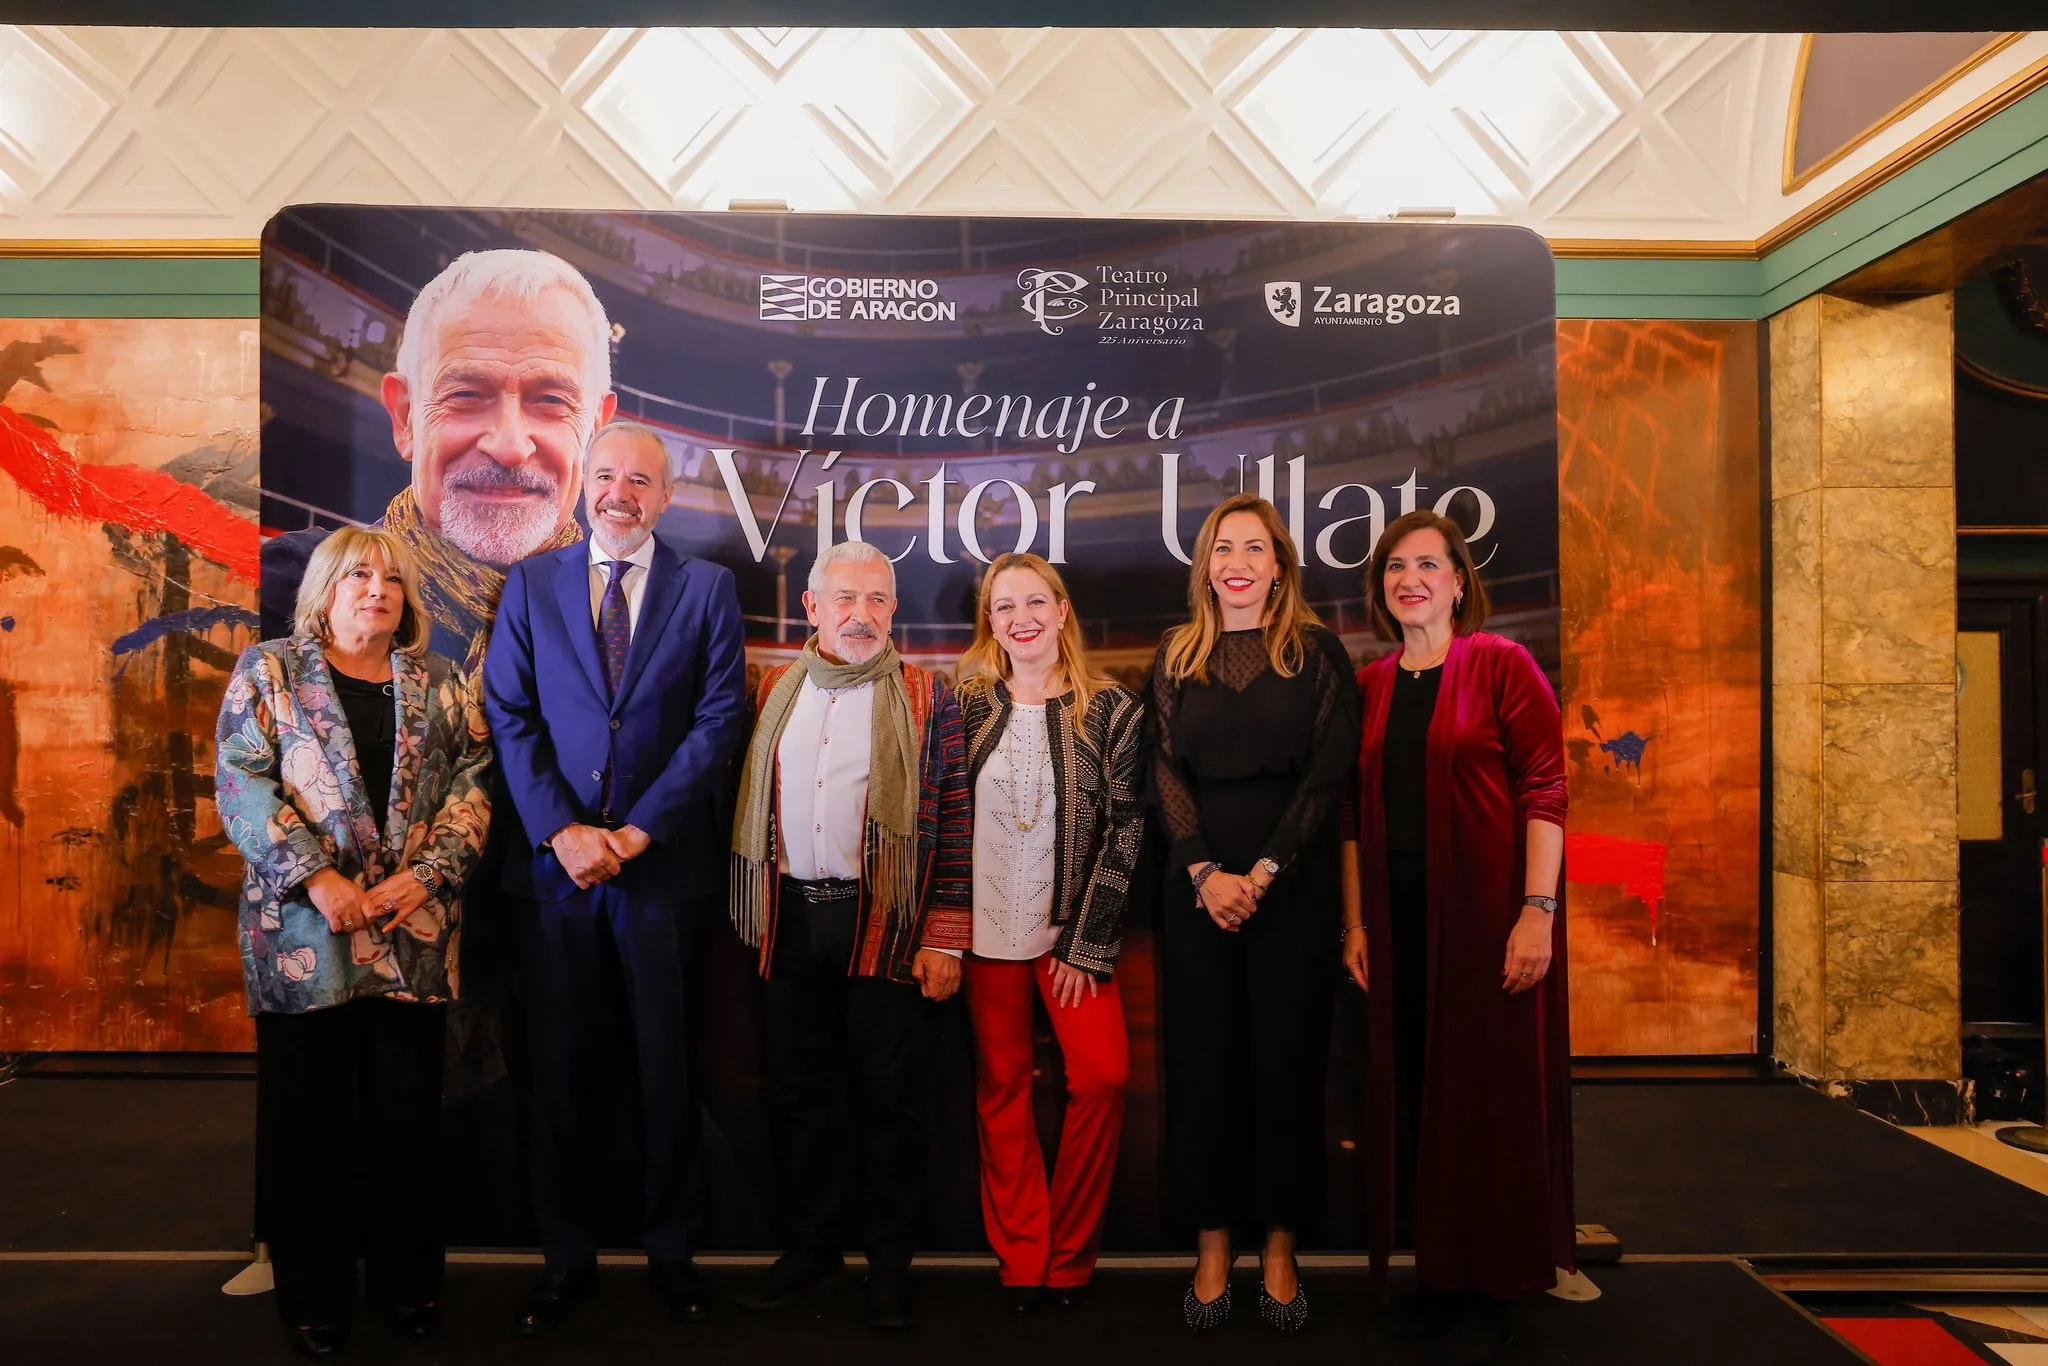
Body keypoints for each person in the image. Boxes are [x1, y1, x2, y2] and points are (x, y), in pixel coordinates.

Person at [480, 421, 748, 1335]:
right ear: (581, 486)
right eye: (605, 476)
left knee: (667, 1070)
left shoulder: (708, 588)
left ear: (665, 496)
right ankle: (565, 1258)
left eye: (639, 480)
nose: (619, 494)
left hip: (661, 875)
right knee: (558, 1071)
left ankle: (673, 1254)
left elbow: (718, 720)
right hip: (555, 878)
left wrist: (634, 834)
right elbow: (509, 711)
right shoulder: (531, 584)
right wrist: (562, 831)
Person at [215, 527, 492, 1360]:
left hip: (411, 933)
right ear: (325, 590)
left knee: (406, 1119)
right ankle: (315, 1296)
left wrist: (428, 876)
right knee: (311, 1122)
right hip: (307, 937)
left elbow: (476, 782)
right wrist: (318, 880)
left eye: (392, 580)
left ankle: (408, 1285)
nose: (378, 590)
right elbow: (241, 781)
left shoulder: (441, 681)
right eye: (359, 576)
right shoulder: (270, 670)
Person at [728, 539, 971, 1331]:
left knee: (890, 1101)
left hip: (885, 925)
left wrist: (944, 937)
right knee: (799, 1095)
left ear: (893, 610)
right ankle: (813, 1250)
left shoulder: (929, 697)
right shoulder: (774, 690)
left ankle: (890, 1264)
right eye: (845, 598)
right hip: (789, 921)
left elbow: (956, 822)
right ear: (813, 607)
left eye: (875, 600)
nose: (860, 615)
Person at [1347, 509, 1571, 1366]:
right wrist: (1357, 923)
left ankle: (1500, 1282)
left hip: (1488, 920)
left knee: (1489, 1097)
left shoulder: (1501, 664)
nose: (1410, 580)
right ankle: (1440, 1276)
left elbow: (1546, 791)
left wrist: (1537, 910)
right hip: (1399, 924)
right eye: (1395, 568)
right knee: (1421, 1097)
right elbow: (1350, 819)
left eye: (1427, 565)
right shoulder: (1371, 685)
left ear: (1457, 580)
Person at [1148, 493, 1361, 1334]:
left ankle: (1278, 1244)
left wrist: (1264, 871)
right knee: (1203, 1067)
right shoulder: (1176, 653)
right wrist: (1206, 872)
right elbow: (1163, 769)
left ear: (1279, 566)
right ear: (1205, 567)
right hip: (1197, 892)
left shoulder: (1315, 651)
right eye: (1223, 549)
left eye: (1253, 549)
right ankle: (1212, 1244)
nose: (1236, 563)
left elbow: (1328, 773)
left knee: (1286, 1065)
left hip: (1290, 889)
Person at [262, 248, 619, 690]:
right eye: (466, 395)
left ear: (596, 432)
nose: (509, 446)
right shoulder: (283, 592)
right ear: (405, 418)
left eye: (551, 401)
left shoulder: (644, 629)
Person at [955, 553, 1144, 1316]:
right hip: (983, 934)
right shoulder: (966, 706)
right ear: (990, 622)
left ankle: (1071, 1254)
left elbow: (1127, 829)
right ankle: (1023, 1255)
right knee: (1002, 1088)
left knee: (1102, 1078)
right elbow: (943, 815)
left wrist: (1086, 941)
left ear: (1062, 611)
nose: (1021, 618)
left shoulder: (1114, 710)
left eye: (1035, 602)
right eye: (1005, 607)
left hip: (1070, 934)